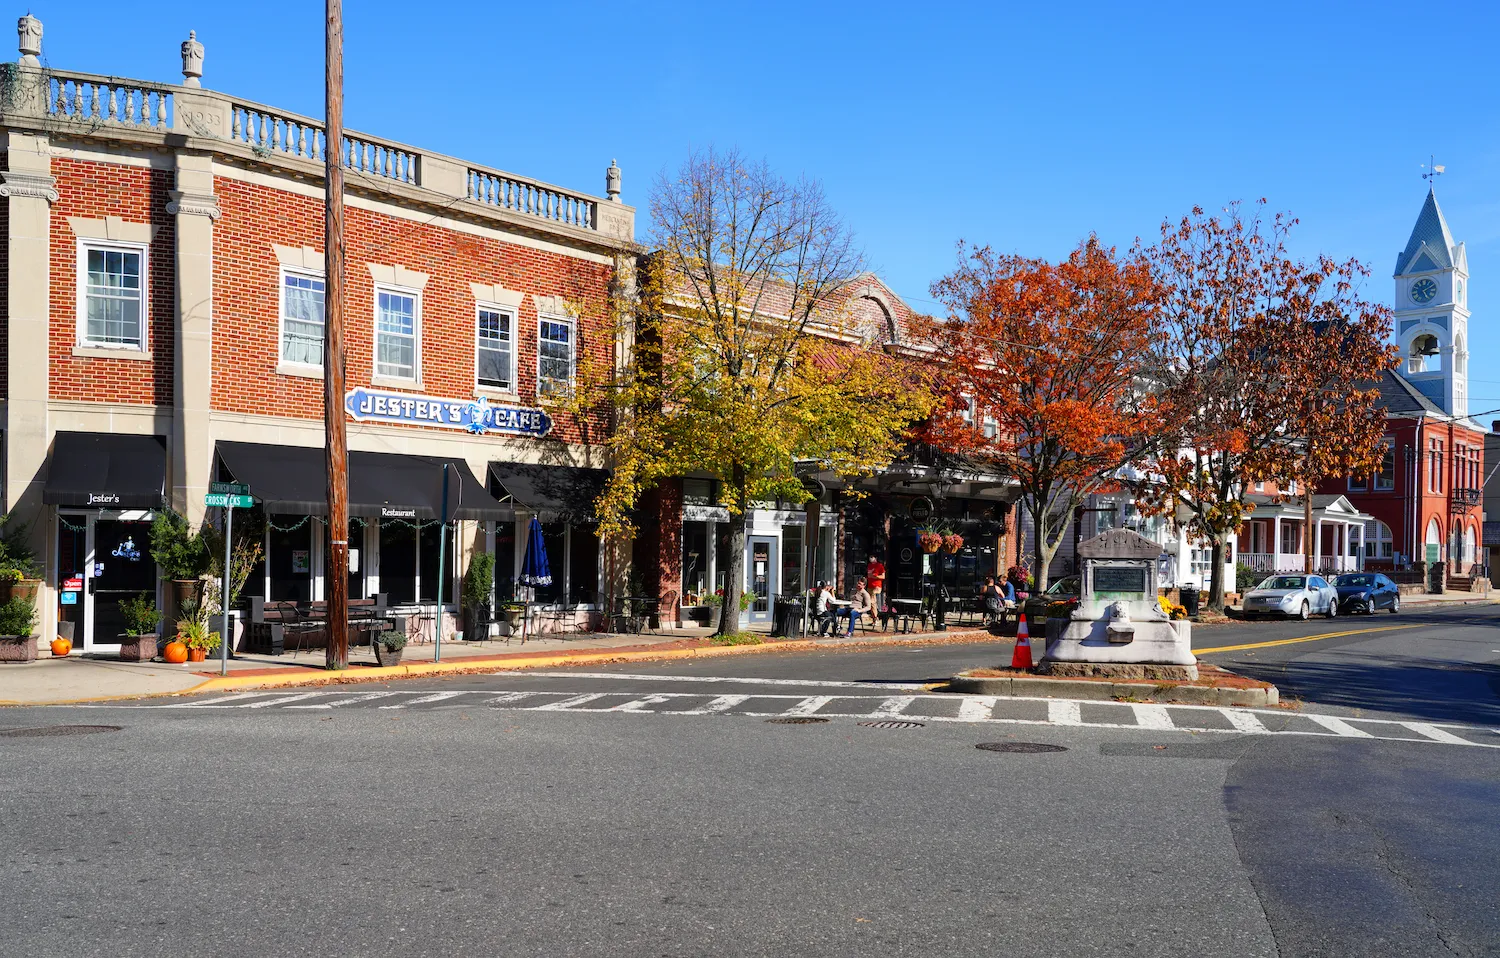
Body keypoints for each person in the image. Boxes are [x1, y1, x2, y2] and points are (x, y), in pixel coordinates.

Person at [866, 554, 886, 629]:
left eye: (872, 557)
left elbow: (883, 576)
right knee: (871, 604)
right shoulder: (869, 566)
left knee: (872, 602)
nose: (871, 558)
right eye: (870, 557)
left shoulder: (879, 566)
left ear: (876, 558)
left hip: (877, 586)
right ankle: (875, 619)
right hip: (869, 586)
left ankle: (876, 618)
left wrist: (876, 576)